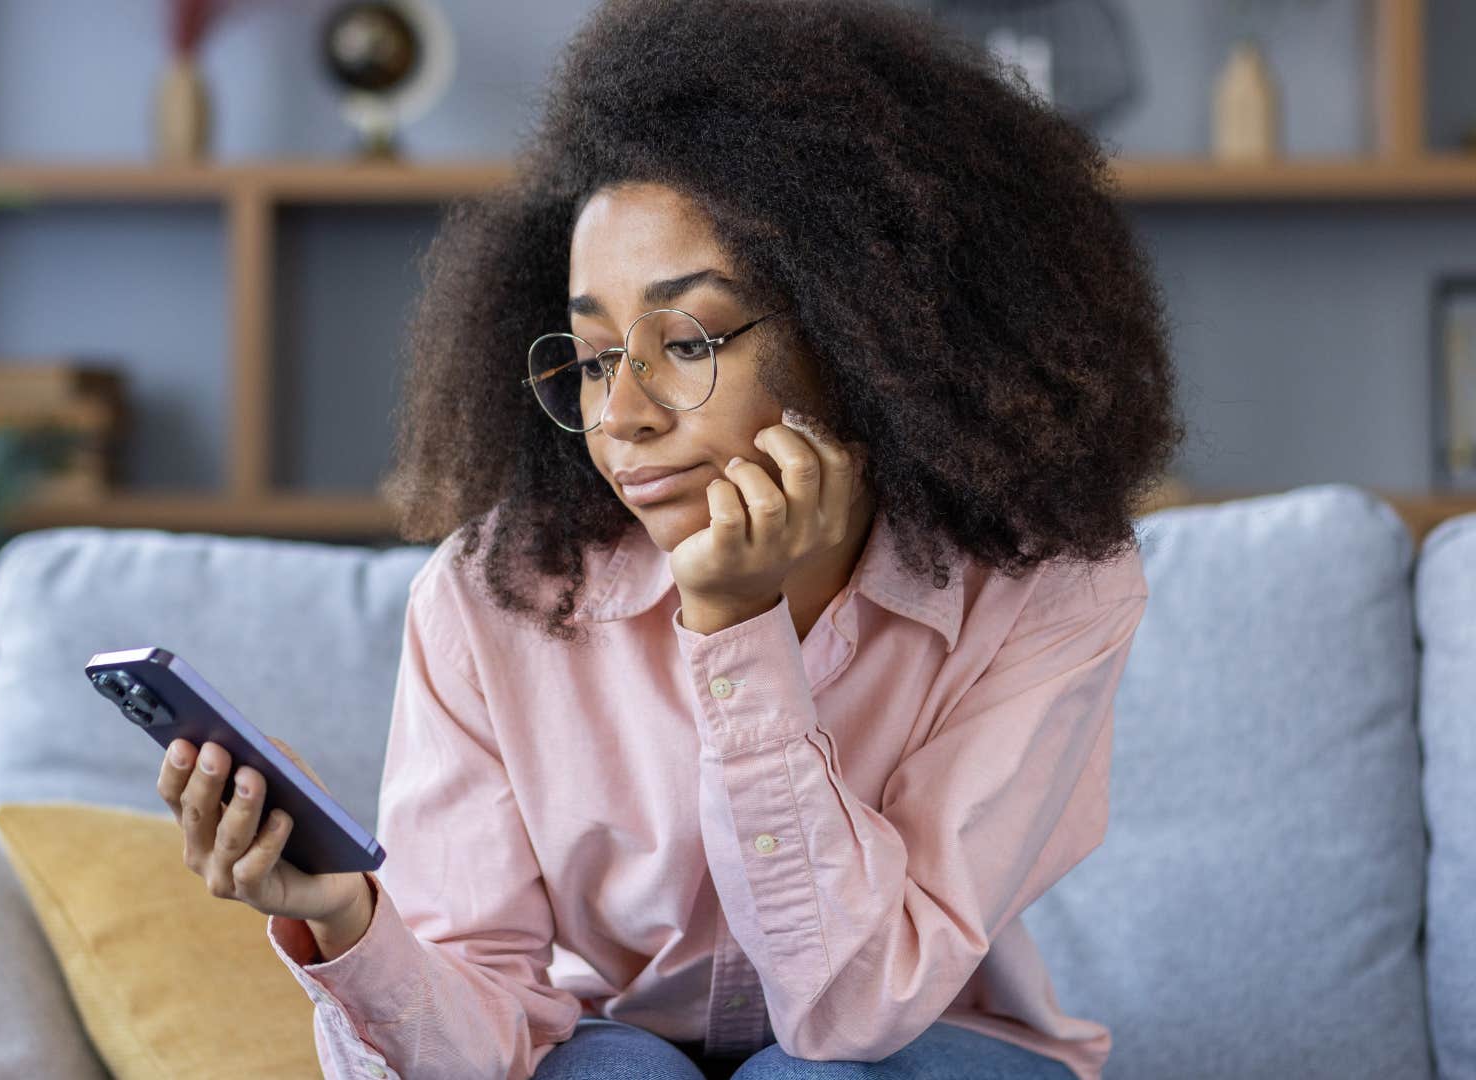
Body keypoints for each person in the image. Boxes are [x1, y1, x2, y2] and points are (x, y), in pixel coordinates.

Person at [156, 0, 1184, 1077]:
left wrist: (738, 632)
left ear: (862, 326)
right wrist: (346, 920)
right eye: (597, 359)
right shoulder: (491, 599)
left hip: (920, 1044)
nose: (625, 416)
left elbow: (854, 1009)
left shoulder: (1050, 585)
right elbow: (478, 1050)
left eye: (686, 340)